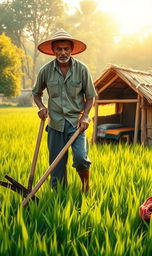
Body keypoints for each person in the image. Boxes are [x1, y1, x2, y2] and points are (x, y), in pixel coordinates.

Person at [32, 29, 97, 192]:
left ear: (71, 50)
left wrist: (85, 116)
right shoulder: (45, 71)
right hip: (55, 124)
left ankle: (85, 188)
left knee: (81, 158)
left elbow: (90, 96)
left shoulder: (82, 70)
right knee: (56, 166)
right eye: (59, 49)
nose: (63, 52)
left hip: (76, 124)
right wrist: (41, 107)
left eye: (66, 49)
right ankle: (59, 198)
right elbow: (36, 93)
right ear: (53, 51)